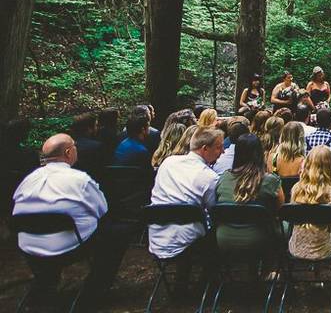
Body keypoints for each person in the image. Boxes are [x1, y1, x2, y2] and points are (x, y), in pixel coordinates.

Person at [13, 134, 130, 309]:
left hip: (29, 248)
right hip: (68, 247)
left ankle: (46, 284)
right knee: (118, 234)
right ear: (69, 152)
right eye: (75, 146)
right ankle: (92, 295)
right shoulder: (79, 179)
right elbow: (102, 209)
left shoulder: (28, 180)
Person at [148, 128, 223, 261]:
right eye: (218, 147)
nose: (222, 152)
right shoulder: (209, 177)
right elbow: (214, 210)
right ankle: (209, 279)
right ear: (205, 148)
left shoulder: (168, 163)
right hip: (188, 241)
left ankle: (183, 277)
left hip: (157, 236)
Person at [215, 134, 283, 253]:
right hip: (260, 237)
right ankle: (269, 269)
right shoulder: (270, 180)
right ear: (260, 153)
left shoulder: (224, 178)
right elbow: (280, 210)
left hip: (224, 238)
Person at [289, 146, 331, 271]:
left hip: (296, 247)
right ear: (330, 166)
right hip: (322, 250)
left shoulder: (296, 188)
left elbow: (293, 219)